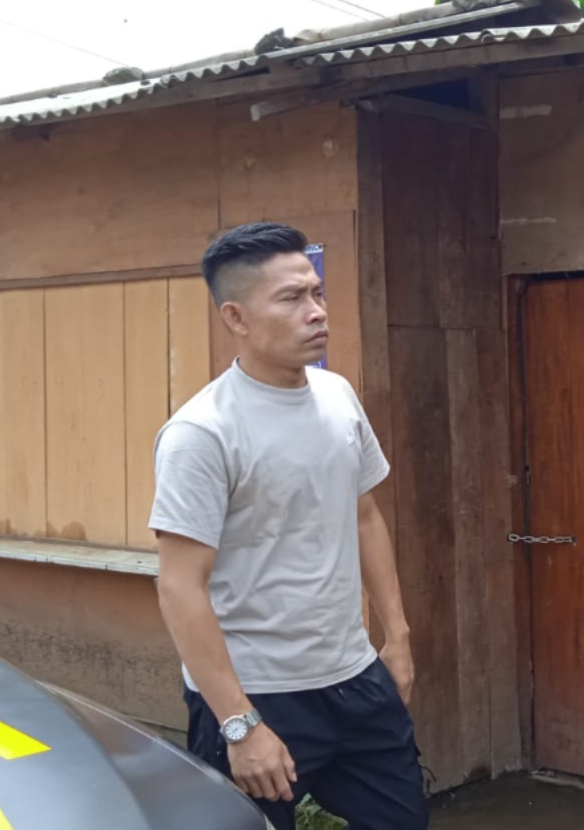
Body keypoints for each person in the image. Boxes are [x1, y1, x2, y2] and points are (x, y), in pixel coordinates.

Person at [150, 222, 426, 830]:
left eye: (317, 292)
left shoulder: (338, 396)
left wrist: (398, 637)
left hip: (354, 677)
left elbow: (364, 514)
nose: (316, 311)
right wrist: (239, 724)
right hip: (257, 694)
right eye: (292, 298)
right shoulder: (202, 434)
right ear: (236, 317)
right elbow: (179, 585)